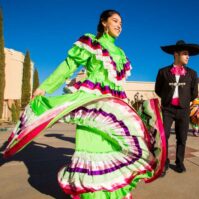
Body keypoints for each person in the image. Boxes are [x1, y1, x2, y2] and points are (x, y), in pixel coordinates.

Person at [3, 10, 166, 199]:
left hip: (113, 111)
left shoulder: (121, 53)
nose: (119, 25)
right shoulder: (92, 43)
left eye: (121, 22)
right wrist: (45, 87)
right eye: (115, 21)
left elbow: (120, 85)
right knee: (93, 149)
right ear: (104, 23)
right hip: (93, 106)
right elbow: (69, 65)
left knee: (117, 150)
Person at [155, 40, 199, 175]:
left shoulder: (192, 74)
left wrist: (184, 100)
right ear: (176, 54)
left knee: (182, 137)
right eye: (185, 54)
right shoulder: (163, 72)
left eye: (188, 54)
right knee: (164, 136)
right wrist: (168, 99)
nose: (188, 57)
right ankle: (164, 163)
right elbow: (158, 90)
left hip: (183, 110)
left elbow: (194, 93)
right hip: (167, 109)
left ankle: (179, 162)